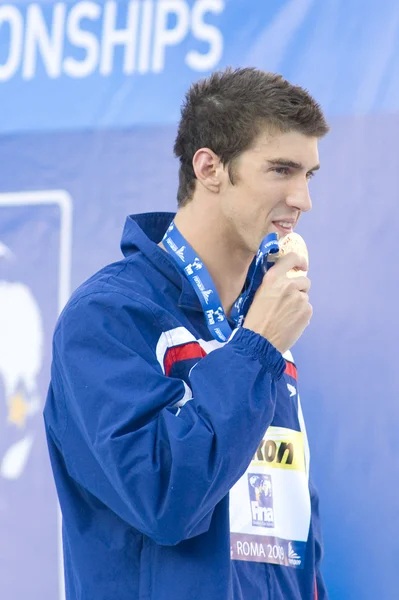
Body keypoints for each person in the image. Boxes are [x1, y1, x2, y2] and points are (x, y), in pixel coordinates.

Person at [44, 67, 330, 600]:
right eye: (281, 170)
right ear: (210, 167)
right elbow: (165, 501)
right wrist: (256, 348)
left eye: (309, 174)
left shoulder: (262, 328)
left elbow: (292, 544)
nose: (302, 199)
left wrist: (259, 345)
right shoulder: (107, 318)